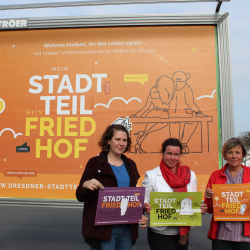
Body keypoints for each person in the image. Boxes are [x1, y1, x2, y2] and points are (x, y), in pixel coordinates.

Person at [76, 124, 148, 250]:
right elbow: (80, 196)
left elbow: (131, 197)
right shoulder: (94, 163)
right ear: (108, 140)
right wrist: (85, 186)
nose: (121, 143)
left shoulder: (131, 164)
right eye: (117, 139)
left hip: (126, 229)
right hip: (103, 230)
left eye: (124, 140)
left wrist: (139, 212)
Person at [142, 138, 207, 250]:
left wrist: (200, 208)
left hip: (182, 232)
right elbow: (144, 200)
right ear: (163, 153)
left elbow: (193, 200)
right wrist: (145, 205)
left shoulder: (190, 175)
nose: (173, 158)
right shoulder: (151, 175)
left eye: (176, 154)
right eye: (169, 154)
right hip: (159, 232)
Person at [204, 137, 250, 250]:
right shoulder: (215, 175)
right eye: (230, 152)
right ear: (225, 155)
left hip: (246, 237)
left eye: (238, 152)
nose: (234, 156)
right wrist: (208, 198)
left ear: (243, 154)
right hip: (221, 235)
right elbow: (209, 209)